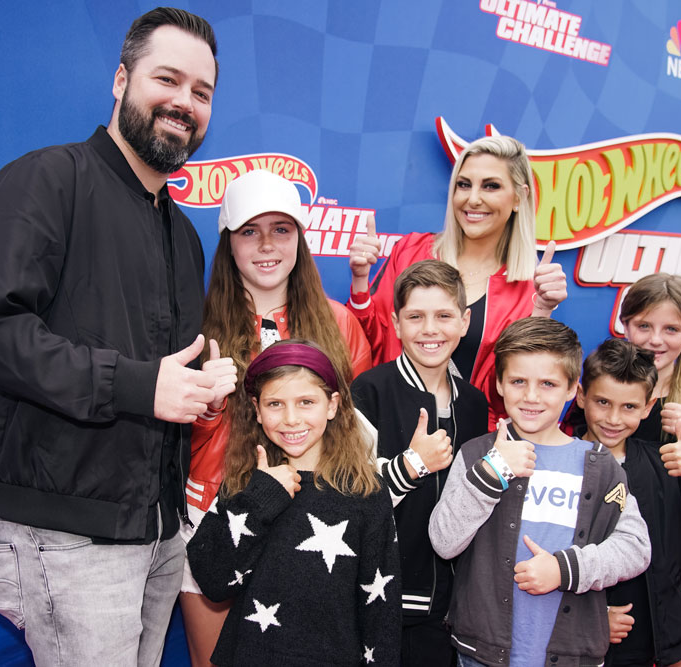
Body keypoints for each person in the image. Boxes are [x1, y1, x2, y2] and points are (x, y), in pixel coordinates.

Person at [0, 9, 233, 666]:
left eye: (202, 92)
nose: (184, 102)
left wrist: (199, 390)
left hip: (161, 531)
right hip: (65, 537)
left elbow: (160, 370)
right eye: (168, 79)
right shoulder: (46, 180)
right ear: (121, 78)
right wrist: (139, 384)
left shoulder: (185, 235)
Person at [178, 169, 371, 666]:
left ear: (300, 240)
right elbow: (167, 444)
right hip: (218, 515)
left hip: (317, 522)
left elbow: (356, 434)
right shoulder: (194, 328)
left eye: (280, 229)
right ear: (229, 242)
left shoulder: (340, 324)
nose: (266, 245)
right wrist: (208, 408)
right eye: (249, 231)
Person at [428, 317, 651, 667]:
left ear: (572, 390)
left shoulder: (601, 466)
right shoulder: (477, 455)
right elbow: (444, 540)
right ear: (499, 384)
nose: (531, 396)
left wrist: (566, 570)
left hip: (573, 653)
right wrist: (493, 472)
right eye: (518, 381)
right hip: (483, 654)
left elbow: (635, 548)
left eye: (547, 383)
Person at [562, 272, 681, 666]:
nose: (655, 340)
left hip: (676, 560)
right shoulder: (603, 383)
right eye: (643, 325)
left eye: (671, 329)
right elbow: (562, 454)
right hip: (597, 563)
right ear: (624, 323)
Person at [187, 340, 401, 666]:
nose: (290, 418)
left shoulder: (365, 492)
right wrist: (259, 500)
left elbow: (380, 612)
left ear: (332, 405)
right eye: (275, 404)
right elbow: (213, 579)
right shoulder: (246, 482)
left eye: (305, 402)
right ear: (257, 410)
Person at [347, 134, 569, 429]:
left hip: (472, 446)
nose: (473, 198)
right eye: (464, 184)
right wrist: (361, 282)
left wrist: (541, 312)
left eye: (491, 186)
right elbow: (372, 344)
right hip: (391, 428)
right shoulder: (412, 251)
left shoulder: (530, 286)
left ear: (519, 197)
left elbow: (512, 391)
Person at [350, 260, 488, 666]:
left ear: (464, 322)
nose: (430, 329)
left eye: (444, 316)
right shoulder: (371, 391)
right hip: (382, 593)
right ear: (395, 322)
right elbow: (348, 496)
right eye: (416, 317)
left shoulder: (475, 403)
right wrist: (409, 465)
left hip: (451, 606)